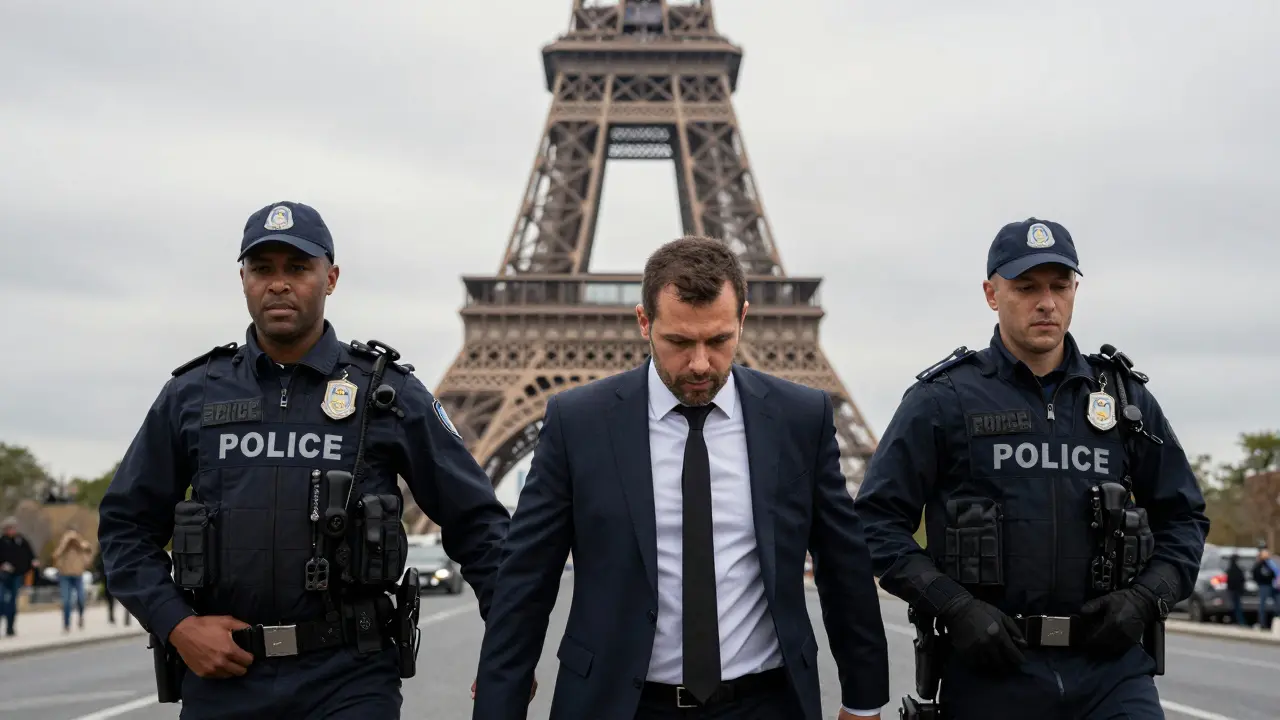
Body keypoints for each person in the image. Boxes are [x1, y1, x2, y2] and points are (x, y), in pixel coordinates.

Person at [97, 200, 511, 719]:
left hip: (348, 678)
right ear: (243, 278)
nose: (279, 283)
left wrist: (509, 651)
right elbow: (124, 526)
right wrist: (177, 625)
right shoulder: (192, 395)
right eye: (262, 269)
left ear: (331, 278)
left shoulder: (386, 394)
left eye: (298, 268)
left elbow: (477, 524)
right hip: (224, 678)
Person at [472, 235, 890, 720]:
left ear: (743, 319)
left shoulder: (801, 417)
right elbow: (526, 581)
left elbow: (843, 566)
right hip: (618, 705)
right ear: (644, 323)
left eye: (718, 341)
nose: (699, 364)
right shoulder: (578, 422)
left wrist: (863, 703)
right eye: (678, 342)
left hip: (765, 704)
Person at [853, 217, 1209, 720]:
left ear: (1074, 290)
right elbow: (874, 523)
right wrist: (954, 607)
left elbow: (1185, 518)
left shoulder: (1123, 400)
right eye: (1026, 287)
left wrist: (1147, 599)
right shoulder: (942, 400)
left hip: (1111, 671)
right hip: (992, 668)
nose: (1046, 302)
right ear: (991, 293)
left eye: (1060, 286)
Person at [52, 525, 94, 632]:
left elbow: (88, 559)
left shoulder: (81, 549)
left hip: (78, 576)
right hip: (65, 576)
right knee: (66, 601)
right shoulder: (63, 550)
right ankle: (66, 624)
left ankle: (80, 616)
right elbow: (55, 557)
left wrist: (81, 547)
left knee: (81, 598)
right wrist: (64, 546)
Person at [0, 517, 37, 636]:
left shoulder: (21, 540)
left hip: (17, 574)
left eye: (13, 528)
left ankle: (10, 627)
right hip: (3, 575)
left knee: (12, 602)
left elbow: (29, 555)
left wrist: (32, 563)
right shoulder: (2, 541)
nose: (12, 530)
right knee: (1, 600)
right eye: (9, 528)